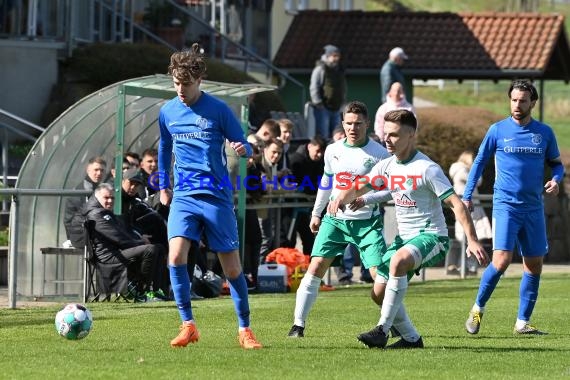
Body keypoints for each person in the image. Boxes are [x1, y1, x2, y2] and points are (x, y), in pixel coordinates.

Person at [329, 109, 488, 349]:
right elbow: (362, 185)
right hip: (404, 239)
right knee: (378, 293)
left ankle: (382, 330)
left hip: (432, 237)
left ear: (411, 134)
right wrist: (341, 197)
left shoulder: (427, 168)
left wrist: (473, 240)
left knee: (398, 262)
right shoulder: (387, 166)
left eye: (394, 135)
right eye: (386, 134)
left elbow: (456, 204)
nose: (387, 140)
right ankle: (412, 339)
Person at [157, 43, 262, 349]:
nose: (180, 90)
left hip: (216, 196)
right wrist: (164, 185)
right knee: (175, 256)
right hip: (185, 195)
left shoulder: (218, 110)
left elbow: (244, 144)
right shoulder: (167, 112)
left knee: (231, 269)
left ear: (199, 81)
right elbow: (165, 148)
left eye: (186, 84)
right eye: (176, 83)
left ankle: (245, 330)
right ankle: (188, 324)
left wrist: (245, 149)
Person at [464, 80, 564, 336]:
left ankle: (522, 322)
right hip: (505, 205)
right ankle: (477, 309)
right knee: (502, 260)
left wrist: (556, 180)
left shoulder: (544, 133)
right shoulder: (497, 130)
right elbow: (478, 163)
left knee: (534, 264)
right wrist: (466, 195)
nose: (517, 105)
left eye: (522, 101)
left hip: (533, 207)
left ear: (533, 103)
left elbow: (557, 165)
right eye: (514, 100)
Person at [287, 100, 390, 338]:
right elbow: (326, 183)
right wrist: (316, 212)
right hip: (335, 221)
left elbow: (389, 189)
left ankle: (391, 321)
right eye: (349, 123)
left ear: (367, 123)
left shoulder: (380, 154)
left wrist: (367, 199)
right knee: (315, 267)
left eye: (358, 124)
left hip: (367, 222)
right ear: (342, 123)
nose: (353, 128)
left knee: (378, 275)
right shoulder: (333, 150)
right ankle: (297, 325)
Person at [83, 183, 163, 301]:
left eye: (112, 198)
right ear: (97, 196)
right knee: (151, 249)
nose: (110, 201)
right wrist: (141, 242)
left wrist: (139, 239)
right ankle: (141, 292)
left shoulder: (102, 212)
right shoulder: (97, 214)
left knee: (159, 248)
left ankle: (154, 290)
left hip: (116, 252)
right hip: (108, 257)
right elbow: (119, 238)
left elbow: (121, 233)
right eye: (106, 198)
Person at [448, 150, 492, 275]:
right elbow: (477, 180)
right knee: (469, 239)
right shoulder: (463, 171)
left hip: (472, 208)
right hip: (469, 208)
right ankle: (467, 267)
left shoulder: (458, 170)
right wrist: (477, 169)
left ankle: (468, 267)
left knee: (470, 240)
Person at [287, 135, 327, 256]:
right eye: (317, 151)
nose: (319, 155)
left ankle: (308, 270)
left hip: (305, 207)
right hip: (290, 207)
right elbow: (297, 183)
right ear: (310, 146)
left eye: (322, 152)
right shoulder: (296, 160)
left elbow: (322, 182)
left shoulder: (320, 162)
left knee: (309, 240)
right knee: (289, 240)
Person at [64, 156, 107, 248]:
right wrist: (73, 239)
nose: (99, 173)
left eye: (102, 170)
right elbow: (69, 220)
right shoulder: (80, 191)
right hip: (83, 238)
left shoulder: (101, 189)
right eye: (96, 169)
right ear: (88, 170)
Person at [310, 44, 347, 139]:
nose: (336, 58)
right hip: (323, 108)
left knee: (338, 135)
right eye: (334, 56)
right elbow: (314, 86)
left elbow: (342, 88)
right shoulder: (320, 69)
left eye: (338, 56)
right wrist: (318, 103)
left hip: (336, 108)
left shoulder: (339, 70)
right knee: (324, 135)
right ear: (327, 56)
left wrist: (343, 103)